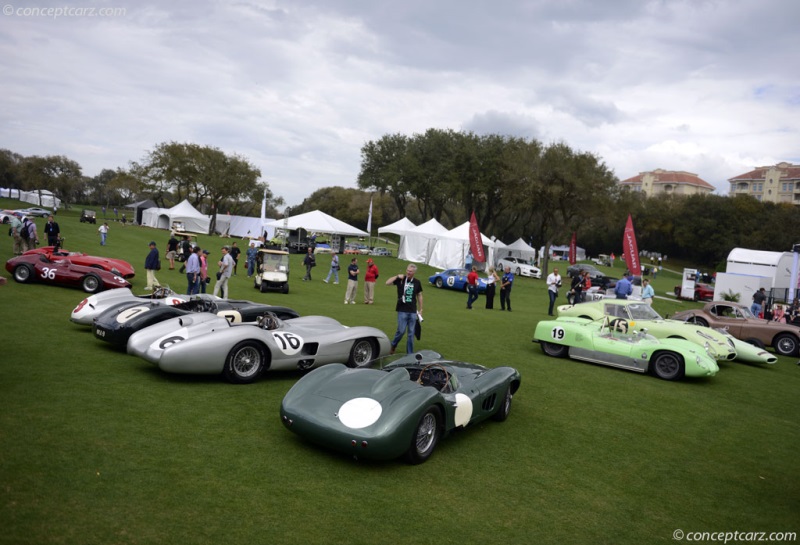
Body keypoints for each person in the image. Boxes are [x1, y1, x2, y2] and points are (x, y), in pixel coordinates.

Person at [386, 264, 424, 354]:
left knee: (411, 334)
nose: (408, 272)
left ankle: (409, 353)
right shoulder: (401, 280)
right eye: (407, 270)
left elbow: (419, 295)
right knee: (401, 331)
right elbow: (387, 283)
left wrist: (421, 309)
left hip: (412, 311)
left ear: (414, 272)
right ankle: (393, 345)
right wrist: (396, 276)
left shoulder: (417, 282)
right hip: (402, 310)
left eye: (410, 271)